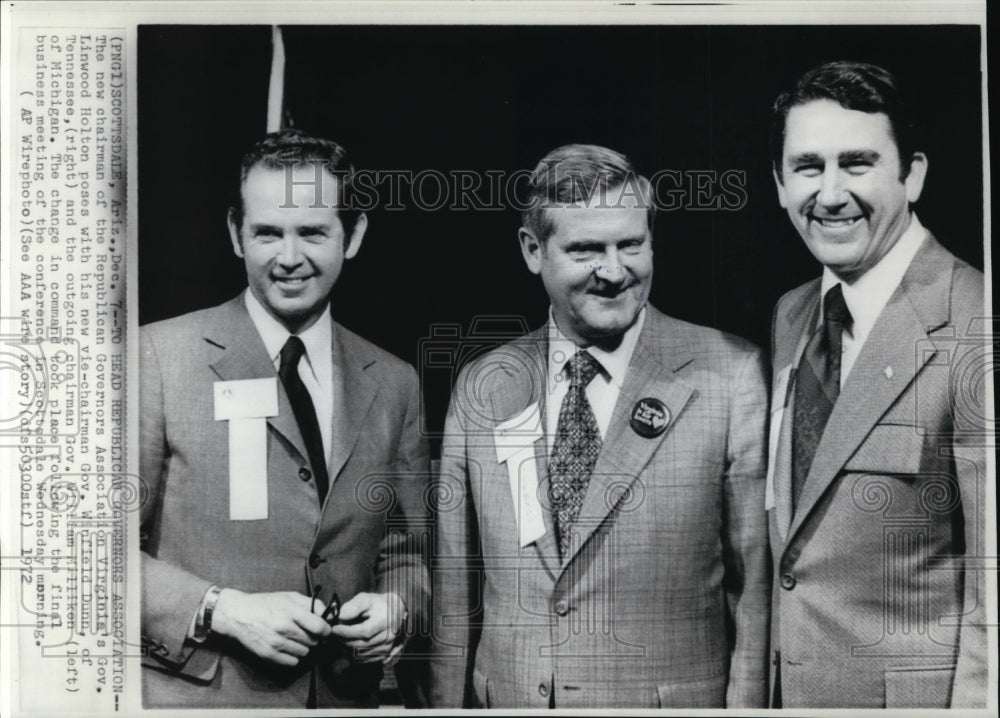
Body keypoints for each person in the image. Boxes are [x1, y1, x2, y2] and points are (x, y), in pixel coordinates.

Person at [427, 144, 771, 708]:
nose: (614, 271)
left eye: (630, 244)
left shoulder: (731, 377)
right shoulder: (484, 385)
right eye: (586, 248)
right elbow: (452, 593)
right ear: (532, 250)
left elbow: (754, 593)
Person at [139, 129, 430, 708]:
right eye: (267, 232)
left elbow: (406, 550)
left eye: (313, 232)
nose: (289, 258)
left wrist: (397, 605)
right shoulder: (156, 358)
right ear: (234, 233)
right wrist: (223, 609)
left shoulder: (395, 381)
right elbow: (87, 554)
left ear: (354, 235)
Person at [767, 61, 987, 708]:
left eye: (856, 163)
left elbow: (995, 593)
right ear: (780, 184)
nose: (830, 194)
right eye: (808, 168)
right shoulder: (792, 313)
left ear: (912, 173)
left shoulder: (977, 323)